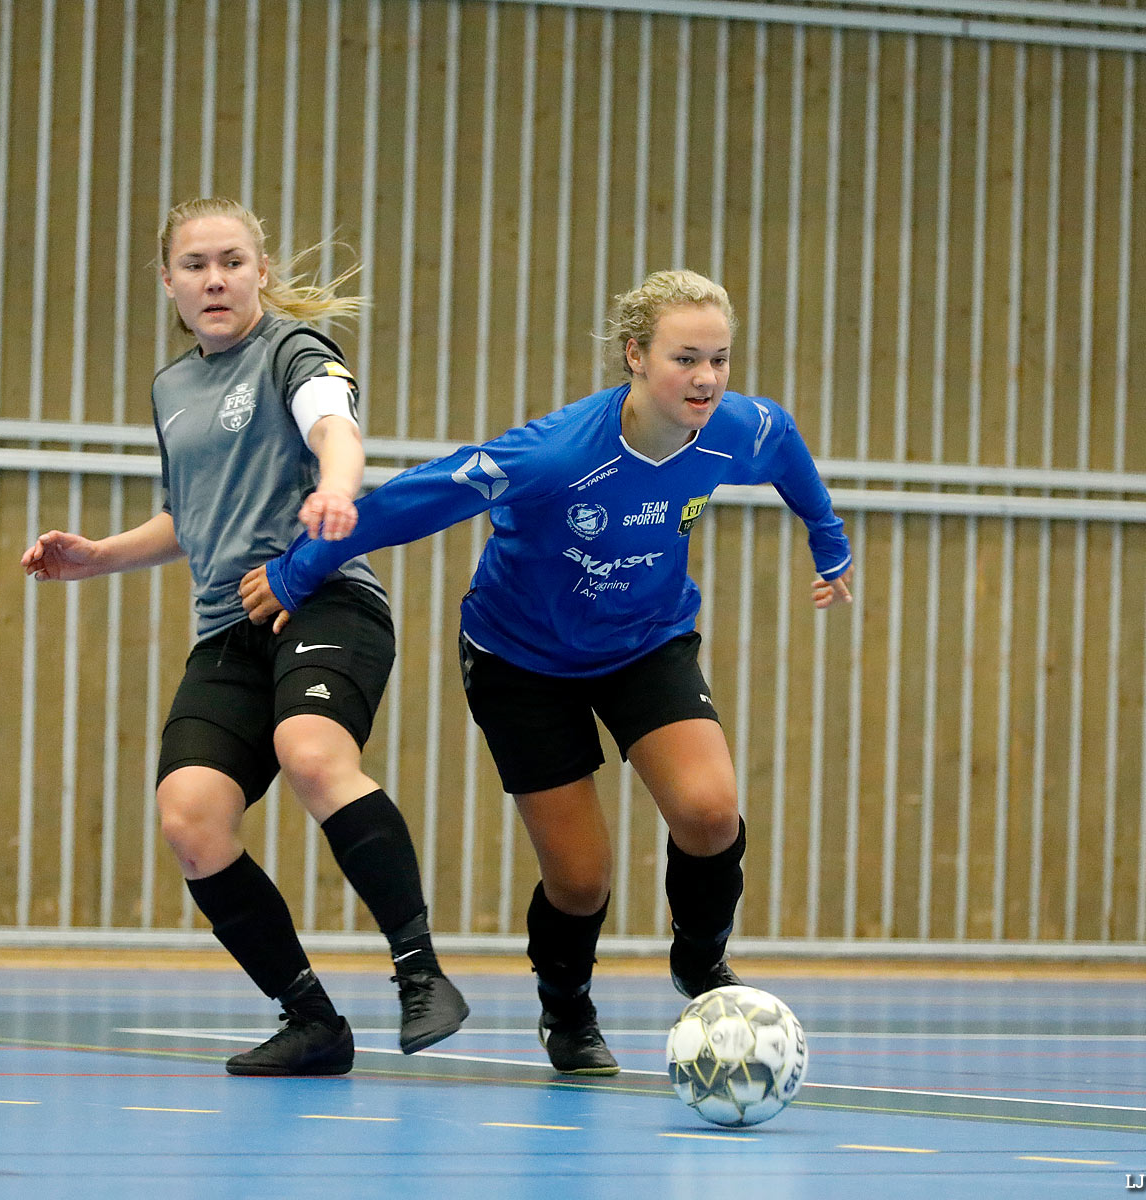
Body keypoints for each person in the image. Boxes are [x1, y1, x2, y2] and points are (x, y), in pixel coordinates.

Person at [240, 268, 853, 1076]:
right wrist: (299, 570)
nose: (706, 379)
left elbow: (787, 449)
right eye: (685, 359)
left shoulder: (739, 428)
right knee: (580, 877)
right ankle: (567, 1007)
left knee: (709, 811)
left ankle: (700, 960)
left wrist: (829, 537)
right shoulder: (554, 454)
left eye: (719, 359)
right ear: (635, 355)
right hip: (521, 661)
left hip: (645, 642)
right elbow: (415, 500)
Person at [21, 197, 467, 1077]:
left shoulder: (294, 352)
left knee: (310, 753)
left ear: (261, 269)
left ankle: (421, 974)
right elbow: (191, 519)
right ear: (169, 283)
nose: (214, 278)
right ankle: (311, 1021)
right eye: (195, 265)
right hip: (228, 628)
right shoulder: (171, 389)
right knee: (190, 816)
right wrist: (97, 556)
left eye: (231, 260)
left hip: (324, 602)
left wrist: (339, 486)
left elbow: (333, 427)